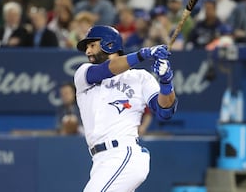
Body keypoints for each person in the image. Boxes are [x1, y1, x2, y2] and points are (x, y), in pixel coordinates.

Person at [74, 25, 177, 191]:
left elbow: (165, 110)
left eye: (92, 45)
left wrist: (166, 81)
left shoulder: (140, 77)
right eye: (86, 47)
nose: (87, 51)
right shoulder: (83, 73)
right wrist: (143, 54)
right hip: (100, 161)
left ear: (109, 44)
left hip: (123, 154)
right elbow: (105, 70)